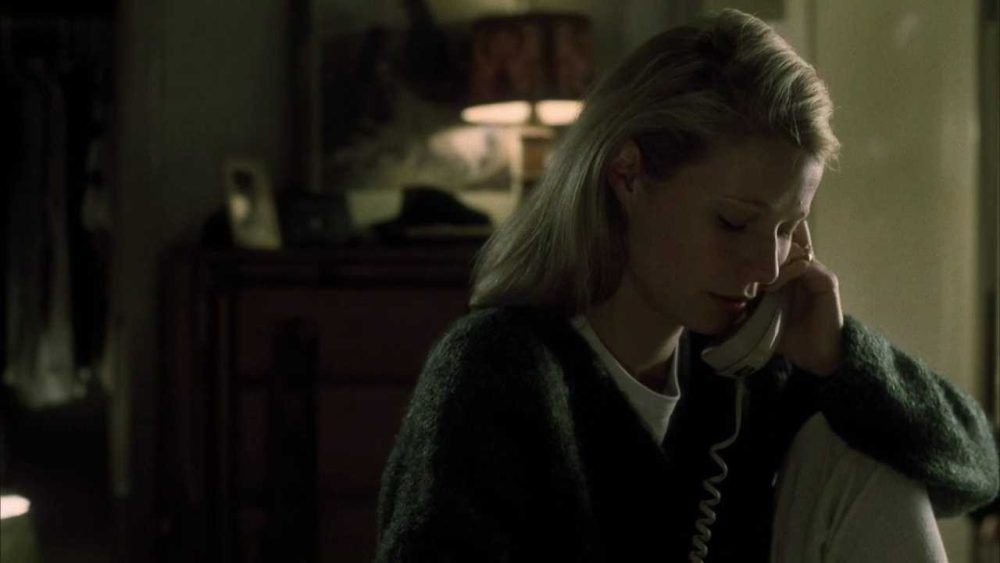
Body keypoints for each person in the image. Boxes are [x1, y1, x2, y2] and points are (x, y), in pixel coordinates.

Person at [376, 9, 999, 562]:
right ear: (628, 174)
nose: (766, 266)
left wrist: (842, 359)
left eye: (788, 229)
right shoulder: (497, 370)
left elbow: (973, 470)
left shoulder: (745, 362)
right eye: (734, 222)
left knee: (875, 451)